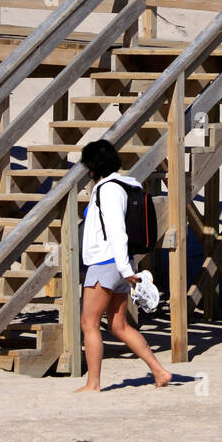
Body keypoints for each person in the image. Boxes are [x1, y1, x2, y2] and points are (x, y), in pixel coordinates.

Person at [74, 138, 172, 392]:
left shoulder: (108, 189)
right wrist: (125, 268)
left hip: (106, 263)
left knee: (89, 323)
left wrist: (127, 271)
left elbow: (117, 230)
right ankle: (159, 371)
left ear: (94, 165)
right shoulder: (123, 186)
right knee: (118, 325)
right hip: (118, 262)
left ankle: (93, 383)